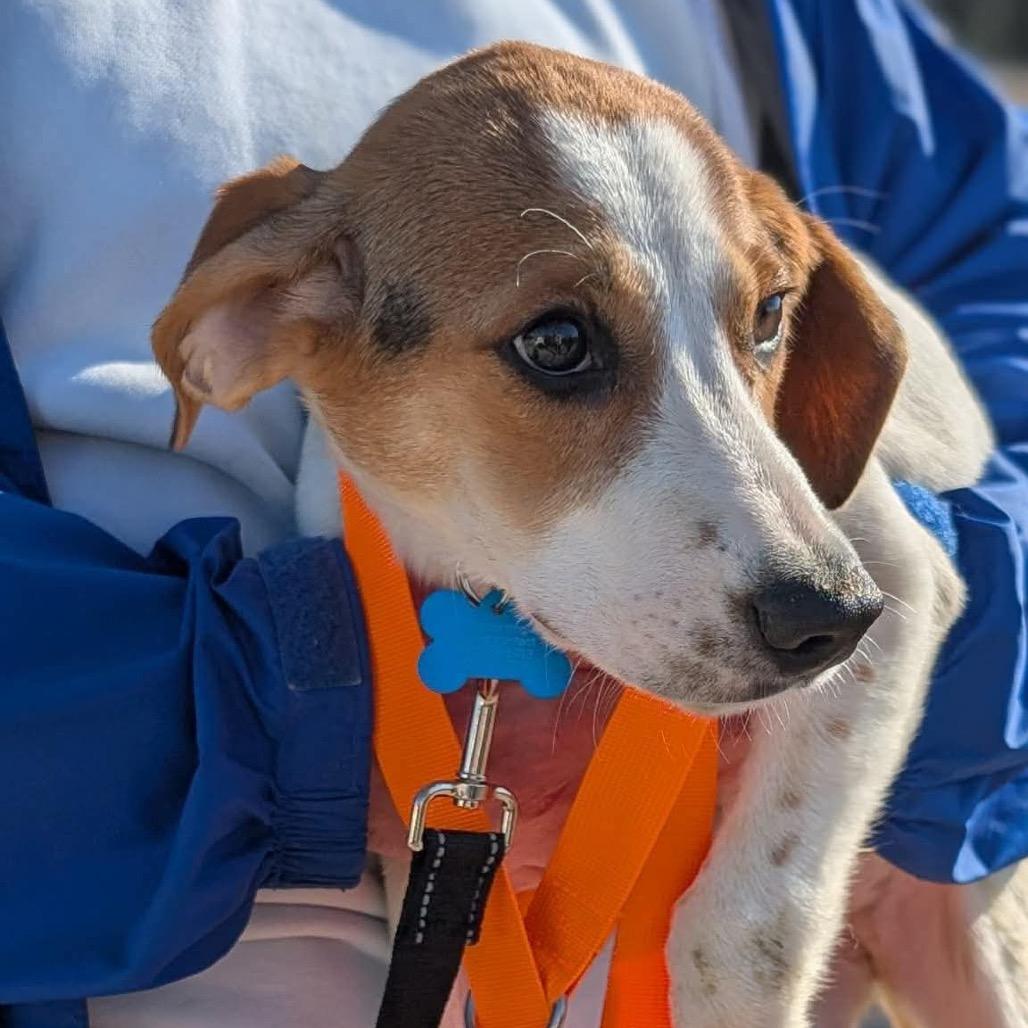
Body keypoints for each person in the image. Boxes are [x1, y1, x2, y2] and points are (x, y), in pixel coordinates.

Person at [1, 1, 1025, 1025]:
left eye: (757, 316)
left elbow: (992, 251)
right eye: (561, 346)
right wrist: (295, 714)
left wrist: (957, 711)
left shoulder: (786, 24)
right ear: (254, 319)